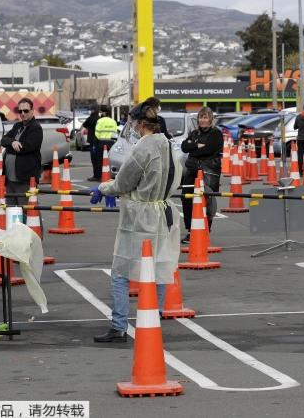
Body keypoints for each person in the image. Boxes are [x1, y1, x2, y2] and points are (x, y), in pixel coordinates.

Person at [93, 101, 183, 343]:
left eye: (133, 123)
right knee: (159, 269)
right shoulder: (169, 145)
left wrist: (103, 189)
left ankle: (119, 326)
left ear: (142, 124)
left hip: (140, 216)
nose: (131, 127)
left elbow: (123, 182)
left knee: (121, 271)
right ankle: (154, 319)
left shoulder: (143, 148)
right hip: (164, 212)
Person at [180, 107, 224, 244]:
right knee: (186, 198)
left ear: (210, 119)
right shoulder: (195, 133)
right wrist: (197, 145)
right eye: (200, 117)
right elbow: (184, 147)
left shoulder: (216, 133)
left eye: (205, 117)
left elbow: (209, 149)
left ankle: (205, 230)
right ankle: (190, 230)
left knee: (207, 200)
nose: (202, 120)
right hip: (192, 170)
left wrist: (195, 147)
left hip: (208, 171)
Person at [1, 98, 43, 208]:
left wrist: (11, 145)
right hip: (10, 179)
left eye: (26, 111)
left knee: (28, 212)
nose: (23, 114)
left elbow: (25, 147)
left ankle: (33, 226)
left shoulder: (36, 128)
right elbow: (3, 140)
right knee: (11, 211)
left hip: (25, 179)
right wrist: (13, 142)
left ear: (32, 111)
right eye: (20, 111)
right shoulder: (17, 126)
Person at [81, 105, 101, 181]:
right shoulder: (99, 119)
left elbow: (85, 124)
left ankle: (96, 176)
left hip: (93, 141)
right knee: (99, 159)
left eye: (91, 110)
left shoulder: (91, 118)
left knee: (94, 159)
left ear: (93, 110)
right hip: (99, 140)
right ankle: (100, 175)